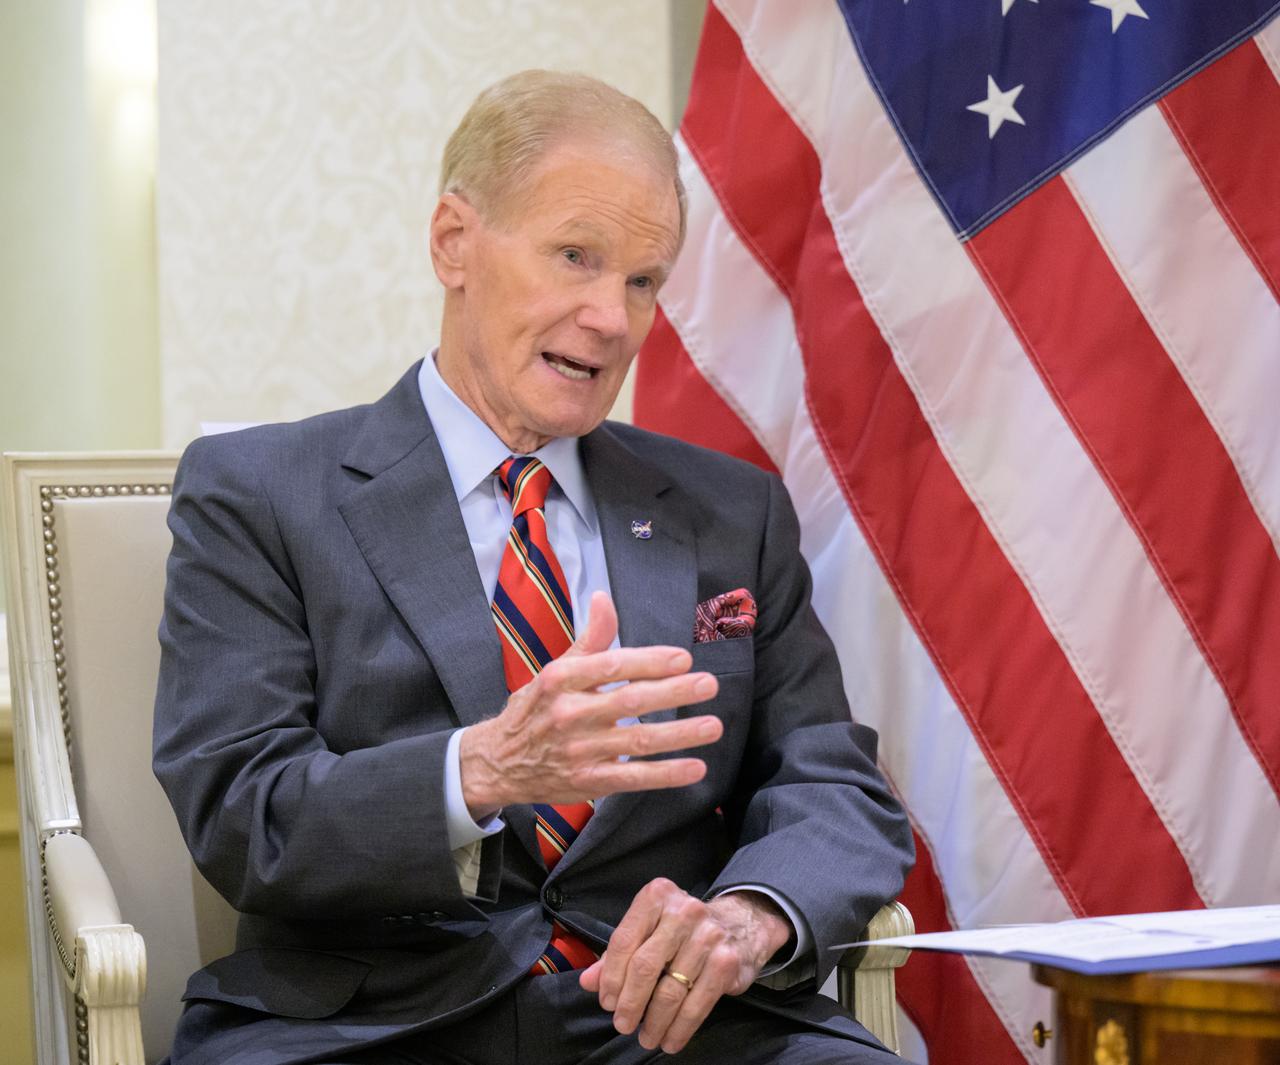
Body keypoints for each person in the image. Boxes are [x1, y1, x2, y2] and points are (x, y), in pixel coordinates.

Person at [153, 69, 915, 1065]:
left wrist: (745, 916)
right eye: (574, 257)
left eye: (641, 280)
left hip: (670, 1020)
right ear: (452, 243)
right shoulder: (260, 493)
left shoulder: (731, 512)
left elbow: (832, 785)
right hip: (368, 1023)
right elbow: (240, 813)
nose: (611, 318)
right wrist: (484, 770)